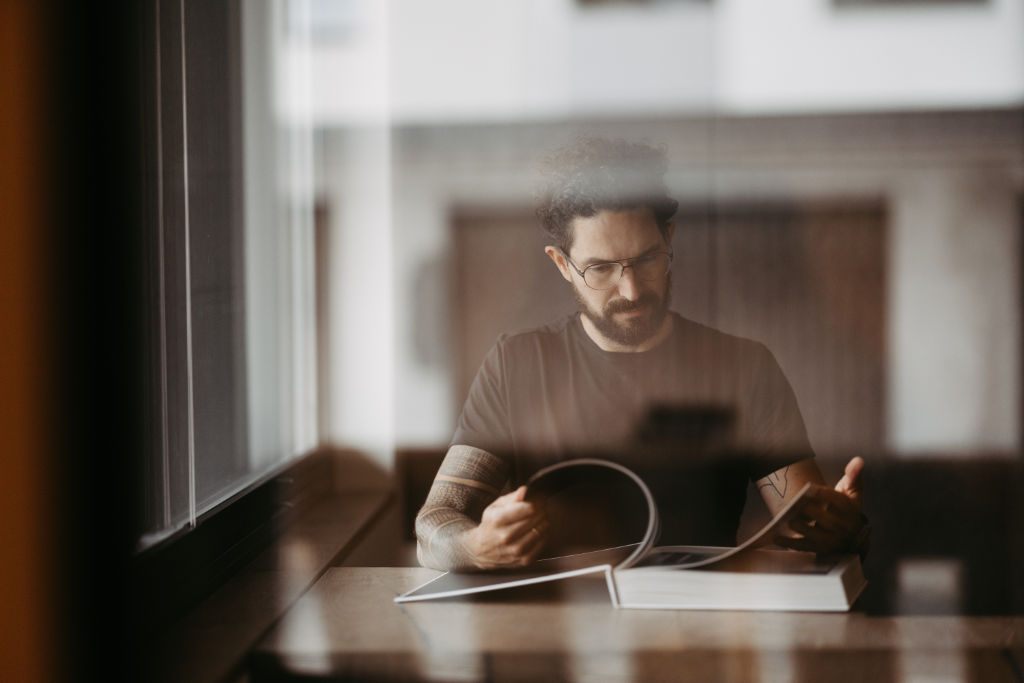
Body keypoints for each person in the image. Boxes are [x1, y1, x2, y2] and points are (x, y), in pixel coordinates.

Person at [415, 137, 869, 571]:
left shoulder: (746, 366)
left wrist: (835, 527)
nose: (631, 290)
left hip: (699, 615)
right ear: (562, 264)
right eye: (600, 268)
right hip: (561, 618)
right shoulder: (515, 364)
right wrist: (476, 546)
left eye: (647, 259)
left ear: (669, 237)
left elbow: (808, 521)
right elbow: (434, 524)